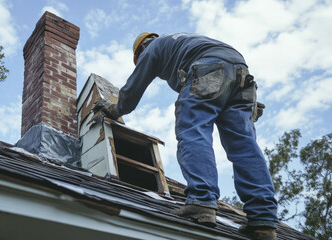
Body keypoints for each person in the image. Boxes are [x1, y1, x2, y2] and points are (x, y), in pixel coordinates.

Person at [95, 32, 278, 240]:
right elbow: (229, 65)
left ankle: (201, 201)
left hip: (210, 67)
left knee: (194, 130)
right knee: (244, 146)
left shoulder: (154, 48)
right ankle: (263, 220)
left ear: (141, 50)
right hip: (241, 73)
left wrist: (116, 108)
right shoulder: (182, 43)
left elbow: (133, 88)